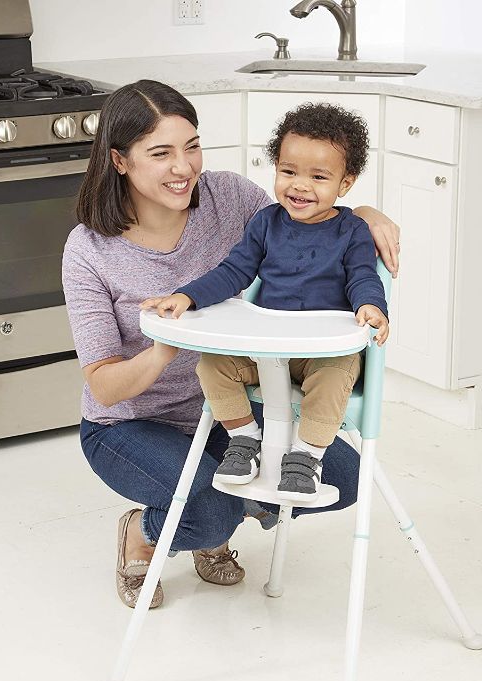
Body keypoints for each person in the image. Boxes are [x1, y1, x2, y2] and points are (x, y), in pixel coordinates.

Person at [61, 79, 400, 610]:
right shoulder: (88, 250)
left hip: (234, 407)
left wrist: (363, 216)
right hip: (130, 422)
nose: (183, 167)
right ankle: (147, 530)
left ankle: (211, 504)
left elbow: (304, 219)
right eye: (161, 153)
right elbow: (105, 387)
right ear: (120, 161)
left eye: (191, 146)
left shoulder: (230, 196)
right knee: (211, 508)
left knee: (342, 479)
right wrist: (168, 344)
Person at [142, 102, 389, 502]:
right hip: (264, 349)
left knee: (336, 372)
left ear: (346, 183)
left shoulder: (352, 231)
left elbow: (363, 275)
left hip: (318, 354)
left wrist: (371, 306)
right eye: (288, 172)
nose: (300, 185)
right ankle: (243, 440)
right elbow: (233, 271)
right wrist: (187, 295)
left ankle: (307, 458)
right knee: (212, 363)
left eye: (319, 176)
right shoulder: (265, 222)